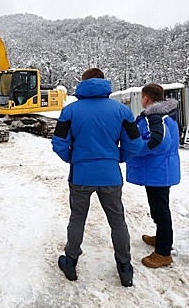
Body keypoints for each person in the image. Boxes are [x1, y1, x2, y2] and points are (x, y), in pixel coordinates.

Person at [51, 68, 143, 287]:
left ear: (82, 83)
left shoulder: (70, 111)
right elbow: (136, 143)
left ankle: (71, 262)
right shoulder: (122, 111)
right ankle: (124, 267)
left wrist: (74, 159)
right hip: (110, 175)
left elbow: (59, 143)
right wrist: (116, 157)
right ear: (104, 83)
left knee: (77, 218)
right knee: (117, 221)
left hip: (81, 175)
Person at [126, 84, 181, 268]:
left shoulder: (155, 117)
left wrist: (134, 150)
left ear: (146, 99)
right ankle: (162, 238)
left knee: (160, 210)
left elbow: (158, 142)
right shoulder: (163, 116)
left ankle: (163, 252)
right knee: (159, 208)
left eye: (142, 98)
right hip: (159, 170)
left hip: (159, 171)